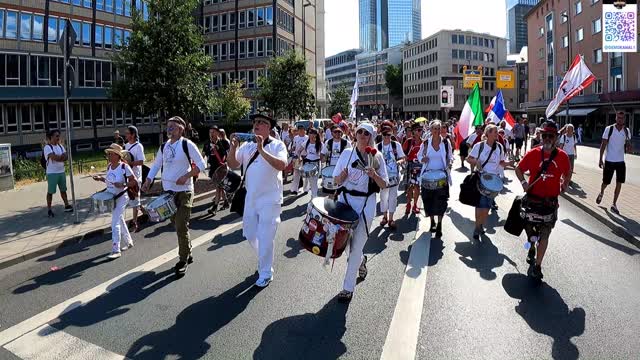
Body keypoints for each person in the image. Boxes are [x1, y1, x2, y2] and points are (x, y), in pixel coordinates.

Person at [227, 113, 288, 288]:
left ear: (269, 127)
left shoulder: (277, 145)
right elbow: (232, 164)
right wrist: (233, 147)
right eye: (255, 122)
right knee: (250, 233)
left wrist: (262, 150)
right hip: (251, 198)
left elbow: (282, 165)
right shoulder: (246, 146)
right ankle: (264, 258)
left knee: (266, 236)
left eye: (261, 122)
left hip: (270, 199)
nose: (257, 124)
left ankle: (266, 272)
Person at [142, 116, 207, 277]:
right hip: (167, 192)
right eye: (167, 126)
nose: (169, 129)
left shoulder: (187, 144)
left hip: (184, 191)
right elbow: (156, 164)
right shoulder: (163, 146)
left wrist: (186, 176)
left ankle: (182, 260)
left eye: (172, 126)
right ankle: (188, 250)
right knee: (176, 224)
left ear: (180, 128)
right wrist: (148, 180)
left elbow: (202, 164)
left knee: (181, 226)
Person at [333, 122, 388, 302]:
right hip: (345, 201)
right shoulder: (347, 153)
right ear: (355, 134)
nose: (363, 135)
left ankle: (347, 288)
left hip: (366, 203)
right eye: (360, 132)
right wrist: (342, 176)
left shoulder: (376, 156)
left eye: (367, 133)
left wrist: (375, 175)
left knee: (356, 246)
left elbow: (384, 184)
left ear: (371, 136)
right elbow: (335, 180)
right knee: (347, 245)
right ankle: (361, 260)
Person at [515, 121, 571, 280]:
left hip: (550, 203)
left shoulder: (563, 156)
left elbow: (568, 171)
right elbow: (519, 169)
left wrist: (564, 183)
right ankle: (531, 244)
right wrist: (524, 183)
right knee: (530, 230)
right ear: (540, 136)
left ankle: (538, 266)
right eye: (544, 135)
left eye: (550, 136)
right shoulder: (533, 153)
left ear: (556, 138)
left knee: (545, 235)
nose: (547, 138)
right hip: (532, 201)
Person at [92, 144, 136, 259]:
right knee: (119, 219)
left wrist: (123, 184)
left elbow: (134, 182)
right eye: (108, 154)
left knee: (114, 222)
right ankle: (128, 241)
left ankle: (116, 249)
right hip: (112, 197)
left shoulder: (124, 167)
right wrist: (101, 179)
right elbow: (109, 182)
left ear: (117, 156)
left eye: (111, 154)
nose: (109, 156)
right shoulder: (109, 166)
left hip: (122, 197)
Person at [466, 124, 509, 240]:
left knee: (486, 208)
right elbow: (468, 158)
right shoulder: (479, 146)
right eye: (494, 132)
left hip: (493, 182)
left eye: (496, 132)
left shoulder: (499, 147)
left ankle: (479, 224)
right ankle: (477, 227)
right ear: (488, 133)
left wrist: (510, 164)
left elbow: (501, 162)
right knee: (479, 206)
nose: (497, 134)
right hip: (481, 179)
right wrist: (476, 162)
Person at [418, 120, 452, 238]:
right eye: (435, 129)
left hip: (442, 176)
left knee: (441, 201)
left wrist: (449, 162)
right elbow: (419, 155)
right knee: (428, 200)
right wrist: (422, 159)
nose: (437, 131)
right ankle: (432, 221)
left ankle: (439, 225)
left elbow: (450, 157)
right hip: (428, 176)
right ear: (431, 130)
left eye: (439, 128)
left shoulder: (446, 143)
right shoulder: (426, 143)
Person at [596, 111, 632, 214]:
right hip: (609, 160)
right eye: (618, 118)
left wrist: (628, 142)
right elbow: (603, 144)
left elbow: (629, 149)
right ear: (615, 118)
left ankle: (614, 204)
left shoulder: (627, 130)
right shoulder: (609, 129)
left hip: (620, 161)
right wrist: (600, 159)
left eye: (622, 118)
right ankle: (601, 192)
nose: (620, 120)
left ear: (624, 119)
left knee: (619, 183)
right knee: (606, 182)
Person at [377, 126, 406, 229]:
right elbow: (375, 162)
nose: (387, 137)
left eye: (389, 135)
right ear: (381, 135)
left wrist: (399, 161)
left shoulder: (396, 145)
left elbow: (403, 158)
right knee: (383, 197)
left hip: (394, 175)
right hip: (383, 177)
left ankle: (391, 218)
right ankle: (384, 217)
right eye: (385, 135)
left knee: (393, 197)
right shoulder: (378, 147)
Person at [43, 129, 72, 217]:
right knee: (50, 191)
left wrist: (60, 157)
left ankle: (66, 205)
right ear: (51, 137)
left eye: (59, 136)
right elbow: (54, 157)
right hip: (52, 173)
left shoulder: (60, 146)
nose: (58, 138)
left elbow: (66, 156)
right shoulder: (47, 147)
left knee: (63, 190)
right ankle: (49, 209)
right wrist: (60, 157)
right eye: (56, 136)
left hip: (61, 171)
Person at [202, 126, 230, 214]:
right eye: (210, 132)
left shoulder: (224, 142)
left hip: (222, 168)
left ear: (218, 133)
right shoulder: (207, 143)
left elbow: (229, 154)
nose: (211, 134)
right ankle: (226, 202)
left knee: (218, 187)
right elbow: (202, 155)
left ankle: (215, 206)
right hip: (213, 168)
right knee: (220, 186)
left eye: (213, 132)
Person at [124, 126, 145, 232]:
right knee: (135, 199)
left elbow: (141, 162)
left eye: (128, 133)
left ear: (133, 135)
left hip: (136, 177)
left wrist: (130, 163)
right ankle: (146, 213)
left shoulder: (138, 146)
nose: (126, 135)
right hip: (127, 176)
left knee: (135, 199)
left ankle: (134, 222)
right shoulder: (126, 145)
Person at [402, 123, 425, 215]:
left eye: (421, 130)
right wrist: (405, 158)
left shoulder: (424, 142)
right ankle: (408, 204)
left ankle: (415, 205)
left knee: (417, 186)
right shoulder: (408, 141)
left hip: (419, 166)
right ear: (414, 131)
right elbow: (402, 153)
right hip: (410, 166)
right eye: (418, 130)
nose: (420, 132)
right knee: (409, 187)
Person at [300, 128, 325, 198]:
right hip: (307, 163)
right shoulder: (306, 143)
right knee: (306, 179)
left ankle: (314, 197)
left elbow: (324, 154)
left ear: (316, 135)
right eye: (310, 133)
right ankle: (305, 189)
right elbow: (299, 150)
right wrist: (299, 157)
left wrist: (322, 158)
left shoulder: (320, 144)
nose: (311, 135)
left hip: (316, 164)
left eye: (313, 133)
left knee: (314, 182)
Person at [290, 125, 309, 195]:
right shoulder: (295, 138)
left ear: (304, 130)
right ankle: (294, 189)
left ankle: (306, 189)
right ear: (298, 130)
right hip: (297, 157)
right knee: (296, 174)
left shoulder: (307, 137)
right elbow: (294, 147)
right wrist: (292, 151)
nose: (301, 130)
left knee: (306, 174)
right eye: (299, 129)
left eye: (302, 129)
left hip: (305, 157)